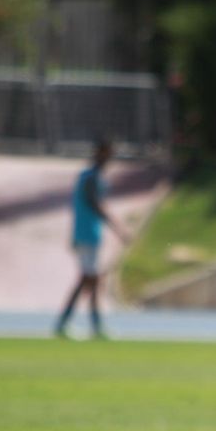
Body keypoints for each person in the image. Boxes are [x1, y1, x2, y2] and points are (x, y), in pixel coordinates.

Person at [55, 139, 130, 339]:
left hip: (91, 235)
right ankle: (73, 324)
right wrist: (119, 229)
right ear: (98, 153)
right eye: (106, 154)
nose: (109, 159)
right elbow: (95, 204)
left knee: (91, 281)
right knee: (88, 280)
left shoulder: (93, 177)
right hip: (86, 235)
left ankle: (88, 325)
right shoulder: (90, 178)